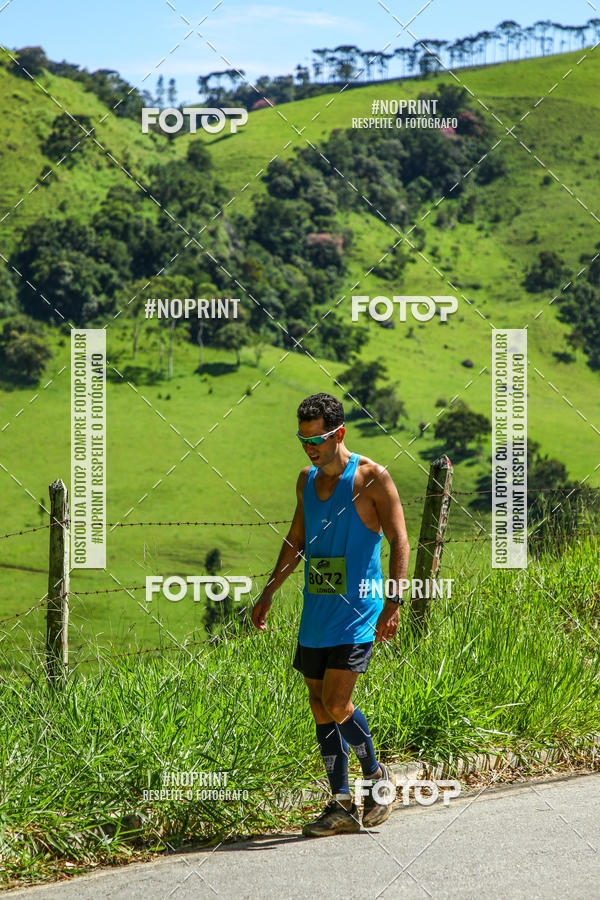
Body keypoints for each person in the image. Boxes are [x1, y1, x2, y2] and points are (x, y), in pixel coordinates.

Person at [251, 392, 410, 837]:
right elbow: (296, 538)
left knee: (338, 702)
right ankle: (340, 804)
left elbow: (400, 542)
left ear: (339, 433)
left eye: (317, 439)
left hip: (359, 608)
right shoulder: (305, 480)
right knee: (320, 706)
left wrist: (394, 604)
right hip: (316, 610)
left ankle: (377, 779)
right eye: (303, 440)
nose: (309, 448)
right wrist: (268, 593)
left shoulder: (373, 478)